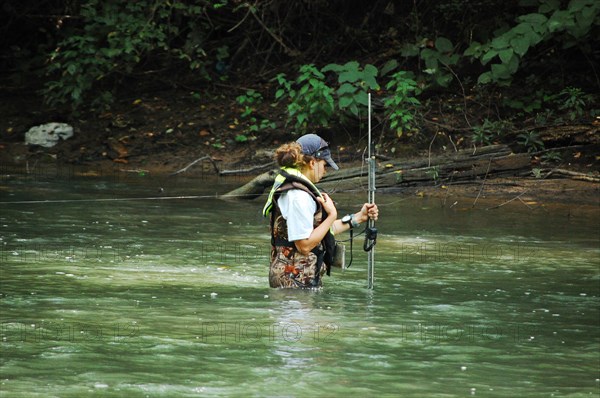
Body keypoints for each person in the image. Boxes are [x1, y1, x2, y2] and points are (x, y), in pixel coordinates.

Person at [263, 133, 379, 288]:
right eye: (324, 165)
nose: (325, 171)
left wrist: (358, 218)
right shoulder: (298, 196)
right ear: (312, 162)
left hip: (297, 283)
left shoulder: (299, 191)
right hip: (294, 286)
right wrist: (331, 215)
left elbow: (317, 232)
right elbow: (304, 245)